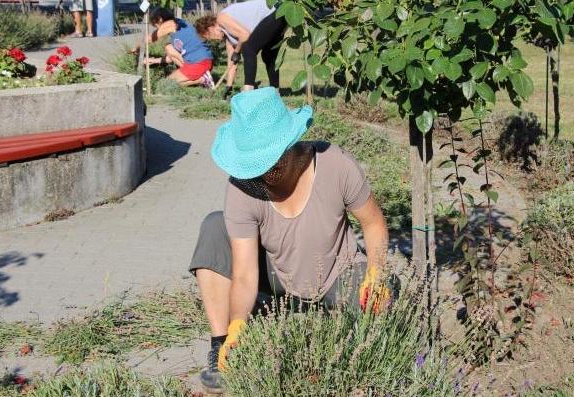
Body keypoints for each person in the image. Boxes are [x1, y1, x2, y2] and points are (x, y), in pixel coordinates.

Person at [189, 87, 391, 392]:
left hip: (338, 272)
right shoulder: (243, 187)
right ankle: (221, 345)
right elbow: (244, 272)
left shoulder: (335, 165)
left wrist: (376, 272)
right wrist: (237, 325)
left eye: (270, 159)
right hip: (277, 275)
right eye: (255, 162)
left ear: (289, 142)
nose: (264, 171)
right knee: (215, 226)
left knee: (377, 314)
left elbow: (374, 223)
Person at [194, 0, 287, 97]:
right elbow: (232, 63)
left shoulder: (221, 19)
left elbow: (244, 35)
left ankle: (248, 91)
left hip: (276, 10)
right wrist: (228, 87)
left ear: (210, 28)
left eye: (209, 37)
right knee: (269, 55)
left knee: (248, 48)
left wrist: (237, 51)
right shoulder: (229, 37)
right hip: (280, 14)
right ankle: (275, 91)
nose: (214, 40)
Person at [136, 7, 214, 88]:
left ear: (160, 19)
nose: (157, 29)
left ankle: (202, 79)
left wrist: (136, 48)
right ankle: (197, 75)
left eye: (156, 26)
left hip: (200, 63)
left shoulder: (170, 24)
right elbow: (172, 57)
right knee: (168, 47)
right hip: (199, 60)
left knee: (164, 85)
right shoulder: (177, 23)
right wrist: (153, 60)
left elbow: (151, 38)